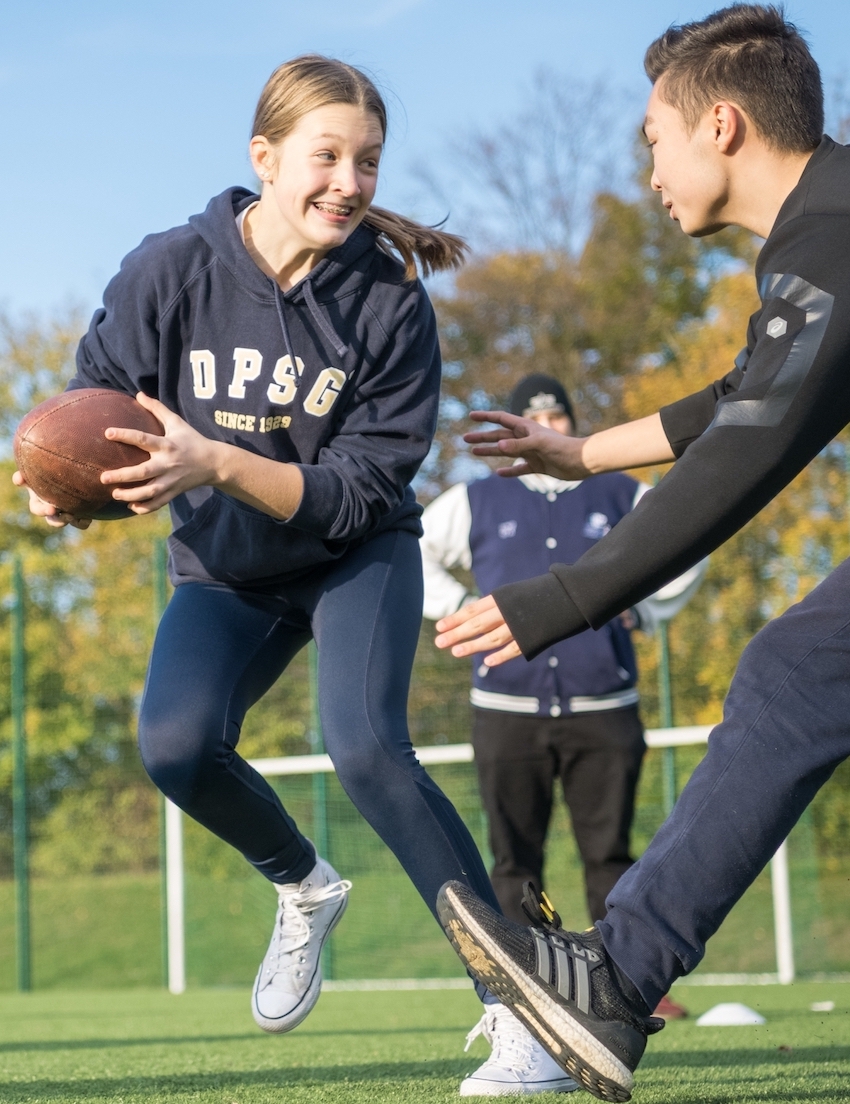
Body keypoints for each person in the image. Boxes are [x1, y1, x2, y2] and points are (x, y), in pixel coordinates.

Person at [13, 55, 574, 1097]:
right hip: (228, 571)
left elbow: (360, 492)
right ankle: (305, 888)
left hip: (352, 558)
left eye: (368, 161)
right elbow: (96, 406)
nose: (349, 182)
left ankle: (523, 1009)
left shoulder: (389, 303)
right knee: (174, 746)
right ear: (264, 158)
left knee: (367, 751)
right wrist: (64, 489)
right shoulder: (170, 268)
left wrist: (217, 462)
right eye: (327, 156)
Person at [430, 6, 850, 1101]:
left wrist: (560, 598)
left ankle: (609, 984)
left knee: (797, 677)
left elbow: (747, 452)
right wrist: (580, 453)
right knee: (800, 675)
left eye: (652, 139)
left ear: (719, 126)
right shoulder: (825, 236)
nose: (647, 170)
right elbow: (740, 397)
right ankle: (611, 980)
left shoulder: (834, 236)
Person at [421, 373, 703, 940]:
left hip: (605, 705)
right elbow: (413, 550)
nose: (547, 429)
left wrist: (643, 612)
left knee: (610, 856)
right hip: (505, 708)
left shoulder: (620, 493)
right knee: (513, 861)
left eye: (557, 419)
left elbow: (688, 546)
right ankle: (531, 984)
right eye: (535, 419)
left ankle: (624, 980)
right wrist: (462, 606)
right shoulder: (478, 497)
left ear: (572, 425)